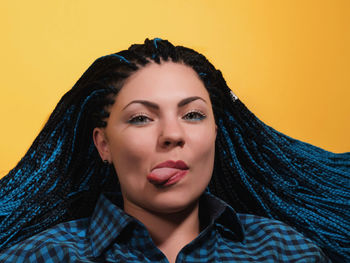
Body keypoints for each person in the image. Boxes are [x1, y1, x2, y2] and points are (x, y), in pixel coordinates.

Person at [0, 38, 347, 262]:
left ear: (215, 133)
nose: (171, 135)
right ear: (103, 144)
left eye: (192, 115)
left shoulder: (286, 252)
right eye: (140, 118)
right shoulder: (41, 256)